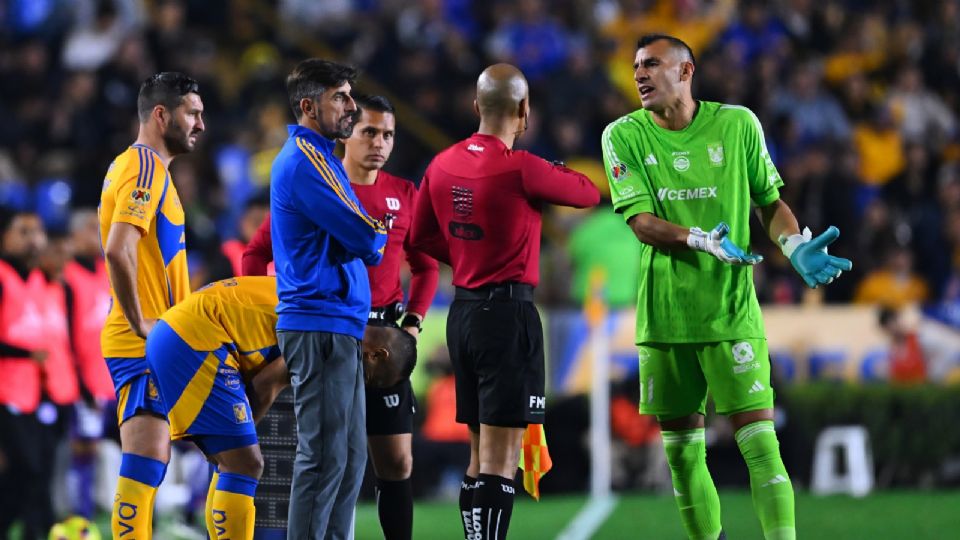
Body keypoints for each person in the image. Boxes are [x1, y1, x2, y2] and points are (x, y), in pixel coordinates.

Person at [601, 34, 852, 540]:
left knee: (761, 444)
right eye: (635, 68)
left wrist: (793, 244)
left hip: (731, 310)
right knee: (682, 455)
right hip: (666, 317)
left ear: (686, 71)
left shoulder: (738, 125)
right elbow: (640, 221)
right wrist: (698, 238)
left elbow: (769, 202)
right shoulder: (622, 135)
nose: (640, 75)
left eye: (652, 64)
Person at [409, 63, 600, 540]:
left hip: (464, 315)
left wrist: (466, 252)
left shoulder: (441, 163)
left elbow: (418, 237)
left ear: (475, 107)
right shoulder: (522, 167)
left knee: (478, 456)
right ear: (524, 110)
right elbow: (587, 192)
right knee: (501, 460)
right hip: (508, 315)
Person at [243, 94, 438, 539]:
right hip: (325, 332)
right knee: (325, 455)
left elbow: (425, 266)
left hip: (380, 348)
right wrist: (268, 318)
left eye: (388, 134)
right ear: (346, 133)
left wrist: (412, 323)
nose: (380, 143)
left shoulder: (405, 194)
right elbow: (256, 254)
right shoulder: (316, 184)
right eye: (370, 131)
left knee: (391, 461)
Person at [144, 276, 418, 540]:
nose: (361, 383)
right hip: (194, 339)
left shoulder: (336, 310)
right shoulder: (333, 335)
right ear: (377, 354)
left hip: (180, 331)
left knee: (230, 463)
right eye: (371, 378)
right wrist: (244, 433)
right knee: (245, 463)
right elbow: (267, 384)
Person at [270, 58, 387, 539]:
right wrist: (371, 234)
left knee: (350, 456)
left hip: (337, 322)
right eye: (339, 96)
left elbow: (362, 233)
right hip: (318, 320)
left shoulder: (323, 158)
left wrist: (367, 234)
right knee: (322, 457)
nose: (351, 106)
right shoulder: (307, 160)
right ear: (308, 106)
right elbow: (366, 237)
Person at [99, 71, 204, 538]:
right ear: (161, 115)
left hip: (164, 341)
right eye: (192, 113)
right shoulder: (143, 167)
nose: (201, 124)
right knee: (145, 463)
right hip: (144, 342)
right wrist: (141, 320)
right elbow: (117, 248)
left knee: (154, 460)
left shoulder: (148, 169)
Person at [0, 210, 73, 539]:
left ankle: (33, 528)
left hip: (32, 393)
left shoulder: (36, 280)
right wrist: (25, 354)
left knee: (34, 469)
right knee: (26, 468)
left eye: (37, 231)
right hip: (5, 393)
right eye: (24, 231)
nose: (34, 239)